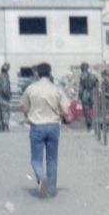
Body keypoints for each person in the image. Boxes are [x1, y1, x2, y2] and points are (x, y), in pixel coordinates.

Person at [20, 62, 72, 198]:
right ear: (50, 73)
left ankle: (41, 177)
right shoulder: (57, 89)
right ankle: (52, 189)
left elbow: (24, 108)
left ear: (37, 73)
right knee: (52, 159)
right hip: (53, 126)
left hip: (36, 126)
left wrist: (30, 115)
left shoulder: (31, 88)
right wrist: (56, 114)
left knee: (36, 160)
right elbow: (66, 111)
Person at [77, 62, 98, 130]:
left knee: (87, 111)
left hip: (85, 94)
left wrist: (79, 96)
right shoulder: (93, 76)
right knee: (94, 109)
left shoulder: (82, 76)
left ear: (82, 68)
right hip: (92, 94)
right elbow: (97, 83)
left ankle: (89, 124)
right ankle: (96, 124)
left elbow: (81, 88)